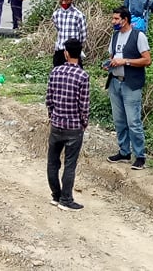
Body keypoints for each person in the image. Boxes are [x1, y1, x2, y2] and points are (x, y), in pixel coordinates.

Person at [46, 38, 91, 211]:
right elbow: (84, 105)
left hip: (56, 124)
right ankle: (66, 199)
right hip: (74, 127)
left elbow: (49, 99)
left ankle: (56, 195)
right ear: (79, 54)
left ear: (66, 53)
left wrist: (52, 116)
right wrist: (84, 123)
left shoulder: (55, 72)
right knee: (70, 164)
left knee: (53, 162)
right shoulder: (83, 76)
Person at [105, 6, 152, 170]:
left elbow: (147, 60)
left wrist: (126, 61)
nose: (114, 22)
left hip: (131, 83)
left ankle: (140, 155)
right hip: (115, 81)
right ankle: (124, 151)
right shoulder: (115, 36)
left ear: (125, 20)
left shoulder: (139, 36)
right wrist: (109, 64)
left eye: (116, 19)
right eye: (113, 18)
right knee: (119, 120)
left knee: (133, 121)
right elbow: (112, 56)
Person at [51, 0, 87, 67]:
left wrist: (75, 48)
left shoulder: (79, 15)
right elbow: (57, 29)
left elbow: (83, 36)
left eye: (66, 0)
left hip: (73, 54)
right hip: (59, 52)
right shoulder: (56, 14)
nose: (64, 2)